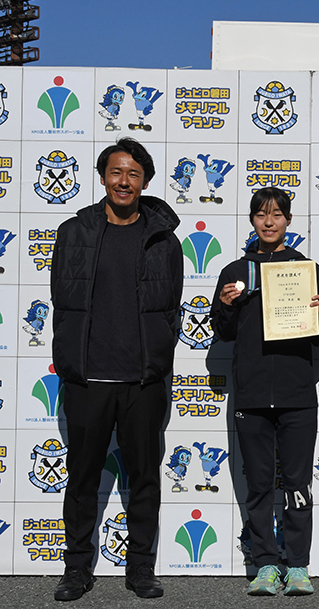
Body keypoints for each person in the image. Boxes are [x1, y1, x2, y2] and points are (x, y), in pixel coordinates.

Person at [50, 137, 183, 601]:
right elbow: (62, 302)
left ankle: (141, 568)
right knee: (81, 480)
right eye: (116, 172)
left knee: (144, 479)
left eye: (133, 174)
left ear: (144, 181)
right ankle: (76, 569)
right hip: (87, 380)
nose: (123, 181)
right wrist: (71, 359)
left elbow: (171, 309)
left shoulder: (165, 240)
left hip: (142, 382)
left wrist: (157, 356)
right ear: (103, 176)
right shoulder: (74, 232)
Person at [211, 187, 319, 596]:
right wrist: (226, 305)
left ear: (288, 221)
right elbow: (223, 332)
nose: (269, 221)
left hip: (297, 394)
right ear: (252, 220)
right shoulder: (234, 270)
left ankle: (297, 565)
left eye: (277, 214)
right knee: (259, 485)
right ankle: (264, 563)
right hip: (252, 394)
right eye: (261, 214)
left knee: (297, 485)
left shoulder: (307, 269)